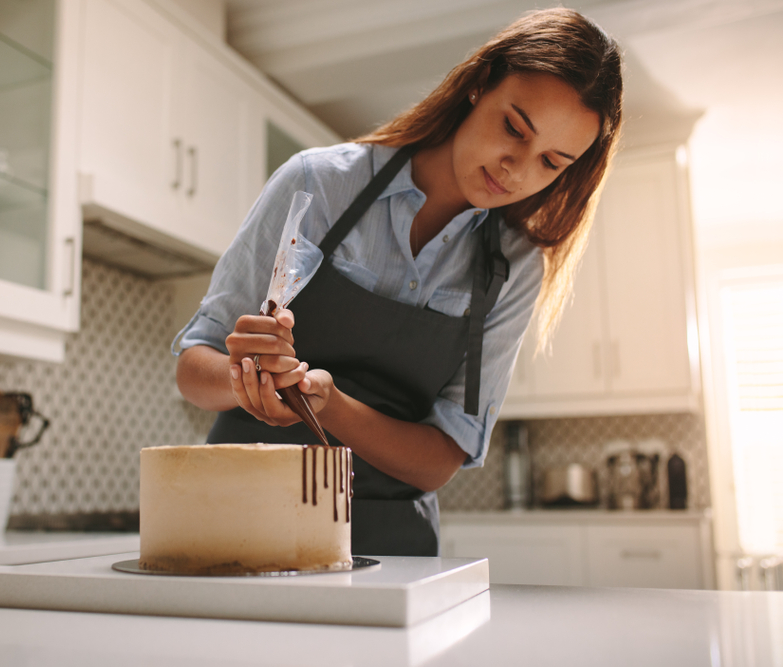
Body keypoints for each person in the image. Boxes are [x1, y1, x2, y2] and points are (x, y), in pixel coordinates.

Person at [172, 8, 623, 556]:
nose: (516, 169)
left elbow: (439, 459)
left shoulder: (515, 267)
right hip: (236, 518)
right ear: (479, 85)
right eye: (514, 128)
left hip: (388, 545)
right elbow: (194, 370)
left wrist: (328, 402)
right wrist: (247, 381)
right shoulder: (318, 185)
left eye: (551, 162)